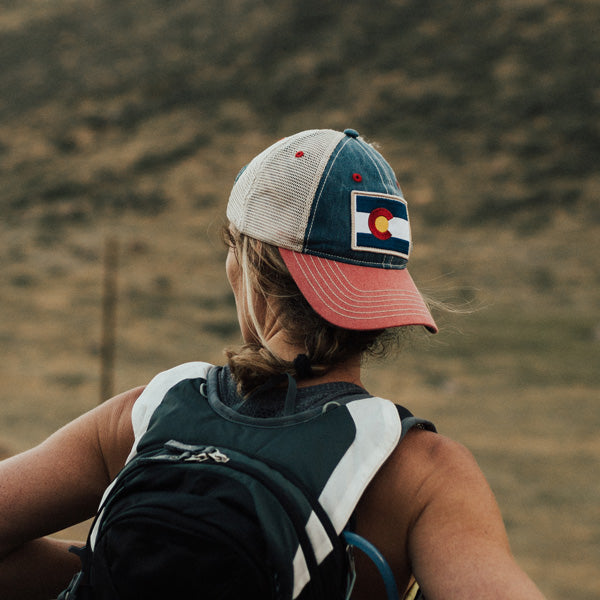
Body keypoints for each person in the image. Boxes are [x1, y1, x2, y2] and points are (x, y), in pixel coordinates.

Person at [0, 128, 546, 600]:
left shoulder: (145, 415)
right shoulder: (421, 475)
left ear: (248, 273)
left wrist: (122, 568)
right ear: (388, 296)